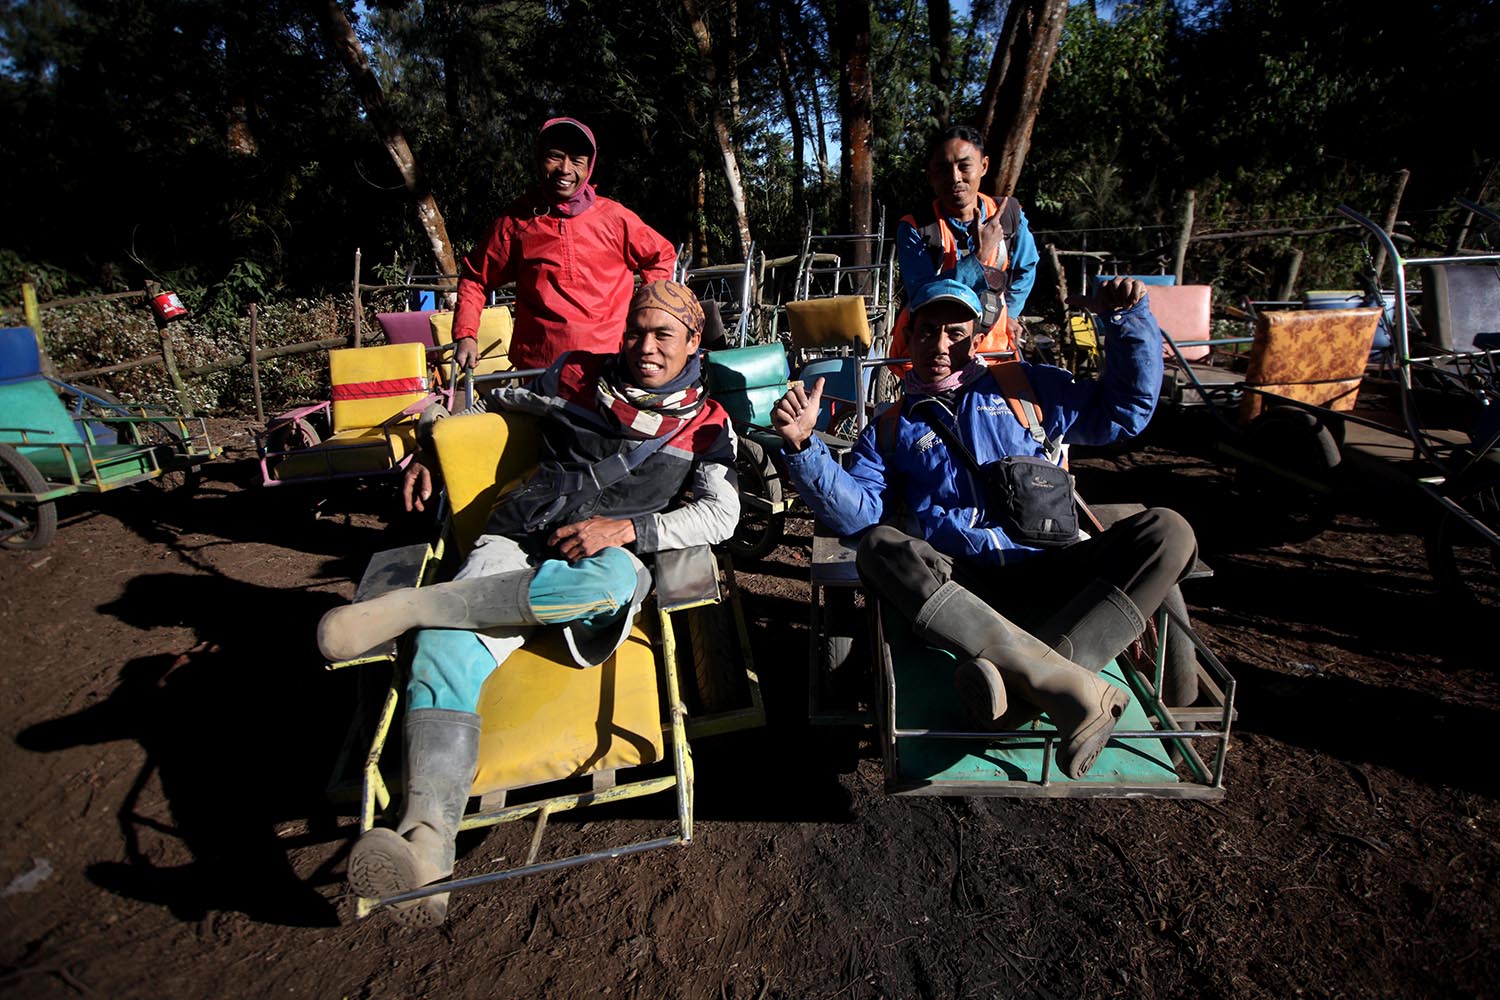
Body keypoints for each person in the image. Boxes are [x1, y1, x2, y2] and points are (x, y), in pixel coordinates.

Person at [317, 281, 739, 927]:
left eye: (664, 335)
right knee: (442, 649)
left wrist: (627, 530)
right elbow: (490, 399)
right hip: (519, 536)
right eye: (637, 331)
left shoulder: (707, 424)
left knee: (604, 586)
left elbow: (722, 513)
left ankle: (418, 604)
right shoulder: (574, 375)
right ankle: (428, 852)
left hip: (604, 561)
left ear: (692, 344)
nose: (645, 347)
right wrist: (432, 444)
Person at [771, 276, 1198, 779]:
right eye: (928, 331)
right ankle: (1061, 687)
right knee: (880, 547)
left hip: (1051, 571)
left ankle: (1023, 692)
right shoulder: (889, 427)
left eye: (956, 332)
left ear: (977, 337)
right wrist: (803, 447)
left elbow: (1122, 414)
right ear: (908, 336)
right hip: (963, 590)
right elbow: (857, 515)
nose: (940, 345)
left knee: (1168, 532)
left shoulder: (1029, 387)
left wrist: (1127, 325)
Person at [450, 117, 677, 372]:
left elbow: (661, 256)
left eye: (577, 160)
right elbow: (475, 277)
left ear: (589, 166)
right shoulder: (516, 222)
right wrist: (466, 333)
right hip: (540, 369)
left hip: (610, 364)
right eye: (555, 156)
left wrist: (646, 315)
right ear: (539, 159)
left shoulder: (615, 217)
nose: (565, 169)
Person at [890, 124, 1040, 363]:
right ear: (930, 175)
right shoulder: (914, 227)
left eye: (964, 165)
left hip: (993, 352)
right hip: (936, 359)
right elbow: (924, 294)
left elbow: (1026, 267)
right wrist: (979, 259)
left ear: (984, 166)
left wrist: (1010, 313)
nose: (955, 177)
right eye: (943, 168)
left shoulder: (1010, 216)